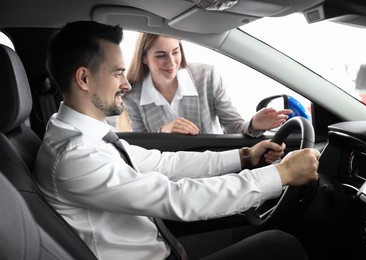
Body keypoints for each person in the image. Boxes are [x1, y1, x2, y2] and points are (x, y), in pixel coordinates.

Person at [34, 20, 320, 260]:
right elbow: (179, 198)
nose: (127, 84)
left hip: (165, 245)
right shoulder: (77, 155)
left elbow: (164, 163)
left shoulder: (83, 136)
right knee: (282, 245)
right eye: (118, 73)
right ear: (83, 79)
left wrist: (245, 156)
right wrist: (280, 174)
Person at [117, 32, 292, 135]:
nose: (171, 62)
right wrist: (163, 133)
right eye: (161, 55)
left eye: (175, 52)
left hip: (213, 166)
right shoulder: (132, 95)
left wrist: (254, 125)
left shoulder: (207, 76)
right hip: (169, 174)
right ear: (144, 58)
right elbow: (143, 147)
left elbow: (234, 126)